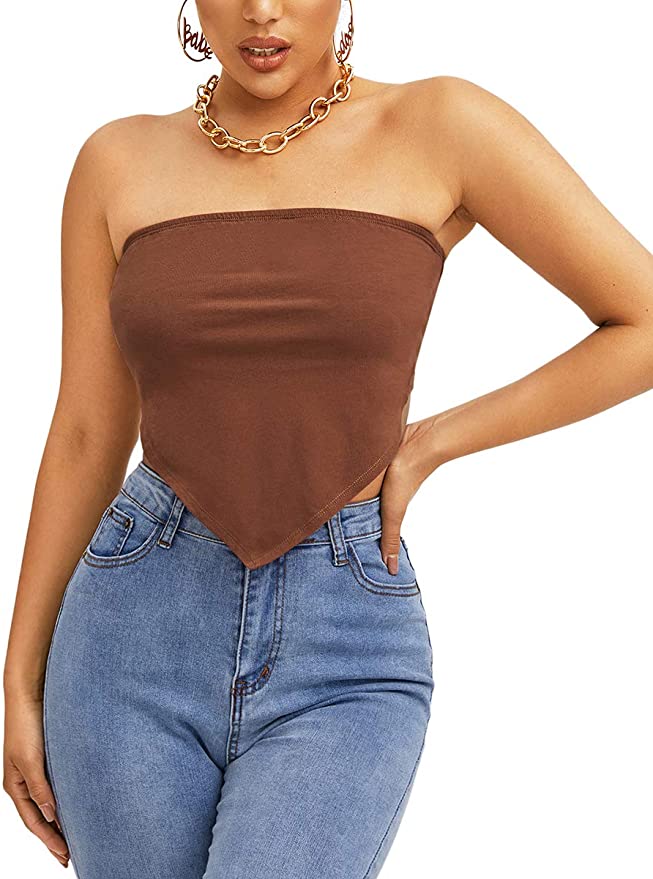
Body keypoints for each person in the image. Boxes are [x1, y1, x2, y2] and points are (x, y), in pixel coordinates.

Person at [3, 1, 653, 876]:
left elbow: (641, 318)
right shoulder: (116, 160)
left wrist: (431, 441)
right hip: (130, 633)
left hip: (342, 640)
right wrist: (20, 676)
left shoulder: (439, 124)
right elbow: (87, 431)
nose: (261, 10)